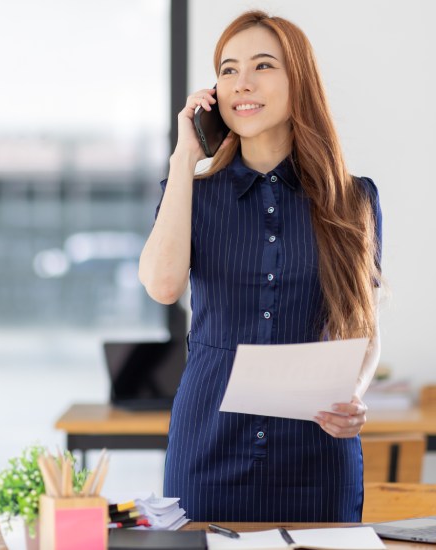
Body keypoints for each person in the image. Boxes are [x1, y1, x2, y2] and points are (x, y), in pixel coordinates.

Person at [138, 10, 382, 522]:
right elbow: (161, 286)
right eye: (227, 70)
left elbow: (364, 328)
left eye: (263, 65)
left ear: (300, 83)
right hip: (208, 446)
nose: (241, 83)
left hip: (317, 452)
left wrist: (354, 397)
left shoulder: (352, 199)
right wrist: (185, 158)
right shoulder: (191, 196)